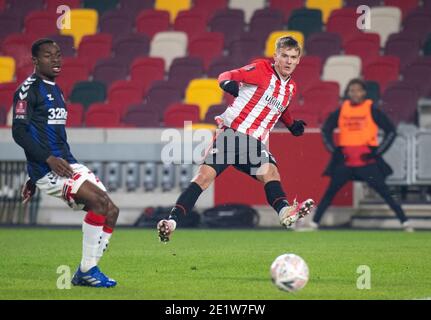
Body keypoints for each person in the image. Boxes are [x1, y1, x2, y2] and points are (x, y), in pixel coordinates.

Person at [157, 36, 315, 242]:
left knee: (271, 172)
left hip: (254, 143)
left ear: (298, 60)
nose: (288, 61)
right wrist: (227, 83)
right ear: (275, 57)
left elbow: (281, 107)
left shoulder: (291, 88)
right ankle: (171, 222)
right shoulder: (261, 69)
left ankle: (285, 212)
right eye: (284, 56)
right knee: (203, 178)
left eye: (293, 57)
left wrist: (291, 124)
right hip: (232, 135)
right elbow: (226, 74)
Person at [12, 38, 120, 287]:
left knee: (111, 211)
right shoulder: (28, 90)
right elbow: (20, 132)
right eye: (48, 56)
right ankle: (88, 270)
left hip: (66, 162)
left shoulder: (57, 89)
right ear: (35, 60)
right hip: (49, 167)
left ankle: (87, 269)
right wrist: (40, 166)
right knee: (98, 202)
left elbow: (46, 131)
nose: (56, 60)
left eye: (58, 55)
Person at [310, 78, 413, 232]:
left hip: (367, 162)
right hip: (346, 162)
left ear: (364, 92)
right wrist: (334, 150)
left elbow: (391, 131)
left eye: (358, 90)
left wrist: (376, 152)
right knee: (330, 192)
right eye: (352, 90)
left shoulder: (371, 109)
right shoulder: (342, 109)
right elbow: (326, 129)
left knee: (386, 193)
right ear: (347, 93)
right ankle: (314, 223)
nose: (355, 93)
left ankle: (405, 222)